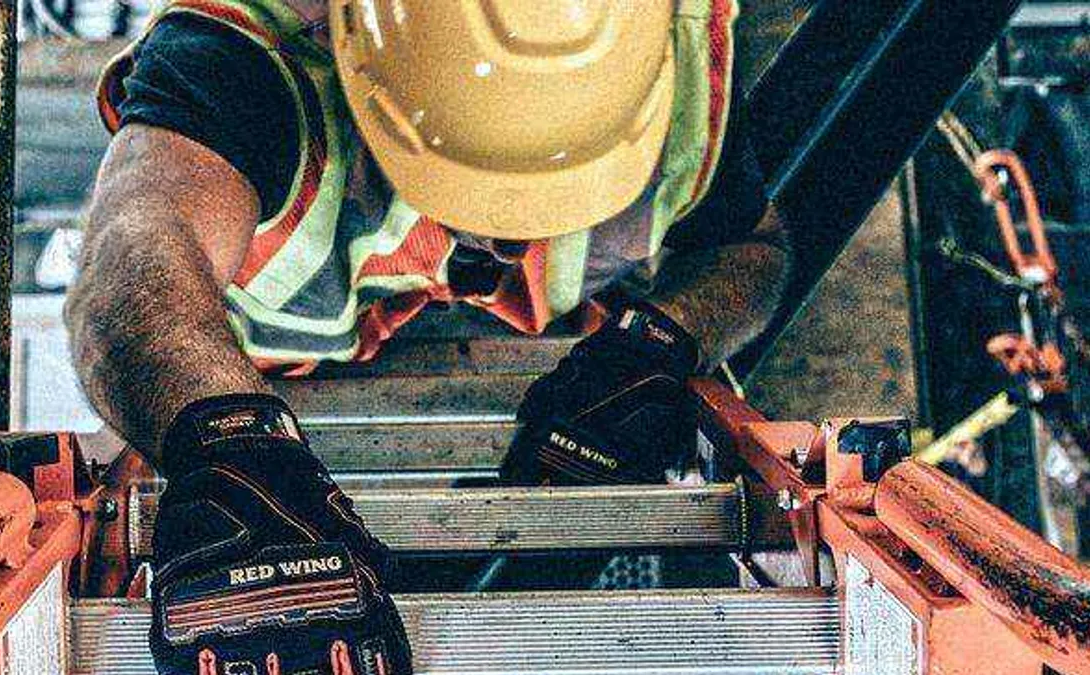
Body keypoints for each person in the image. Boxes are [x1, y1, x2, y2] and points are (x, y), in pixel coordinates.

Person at [67, 1, 790, 673]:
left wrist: (657, 344)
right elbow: (128, 270)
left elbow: (751, 249)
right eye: (478, 201)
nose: (515, 244)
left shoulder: (665, 57)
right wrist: (230, 447)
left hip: (552, 331)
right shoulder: (244, 60)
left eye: (552, 200)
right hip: (274, 366)